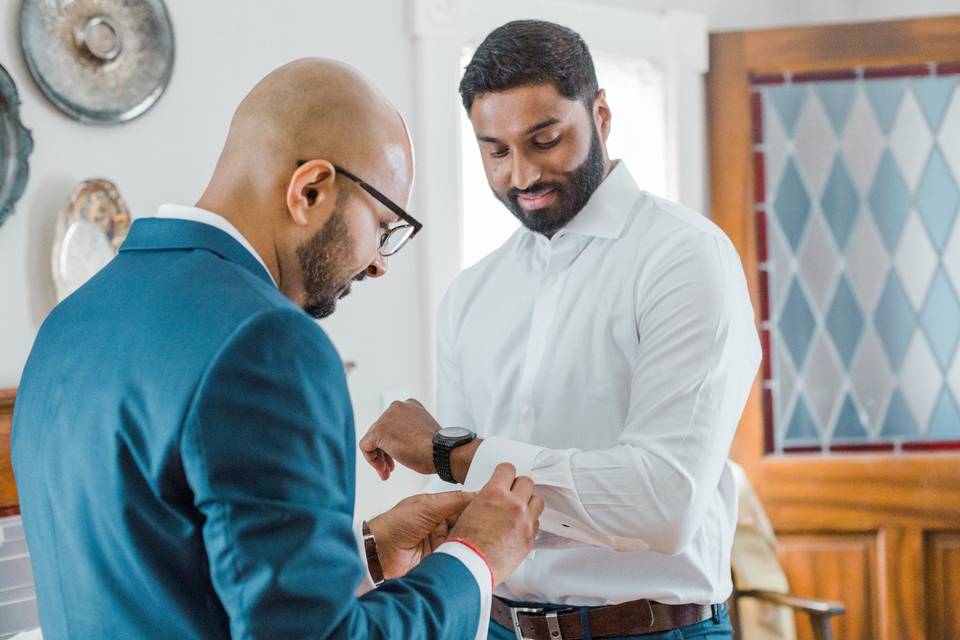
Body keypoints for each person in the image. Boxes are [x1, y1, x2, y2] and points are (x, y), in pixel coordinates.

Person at [12, 58, 543, 639]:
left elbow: (163, 571)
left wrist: (363, 551)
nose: (379, 263)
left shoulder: (74, 319)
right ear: (309, 191)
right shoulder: (268, 343)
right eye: (384, 226)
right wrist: (474, 560)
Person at [359, 21, 761, 640]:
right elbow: (478, 502)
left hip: (652, 630)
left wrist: (451, 451)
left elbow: (664, 505)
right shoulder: (471, 294)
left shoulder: (686, 258)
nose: (520, 176)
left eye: (544, 140)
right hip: (492, 625)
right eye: (496, 151)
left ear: (600, 113)